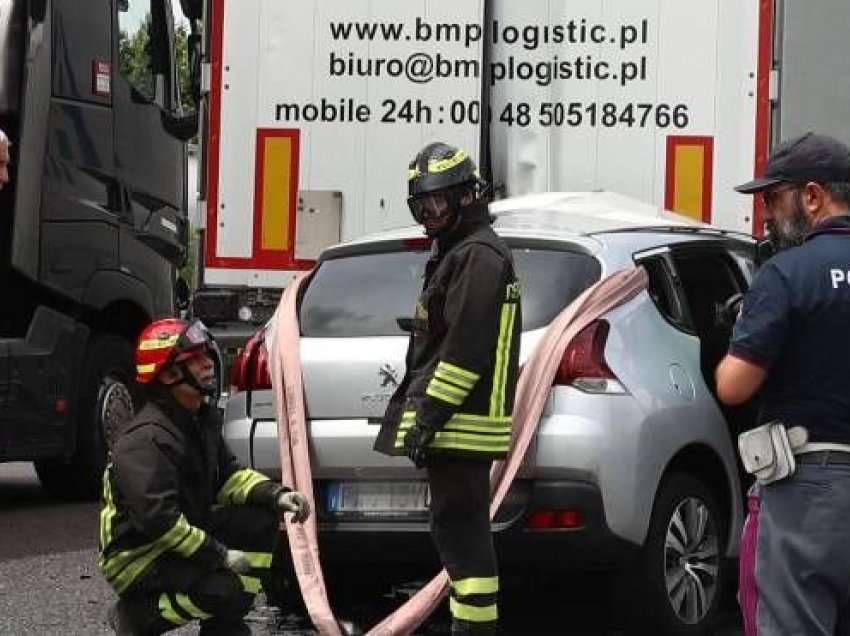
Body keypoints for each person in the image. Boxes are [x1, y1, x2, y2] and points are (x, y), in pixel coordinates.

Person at [374, 142, 521, 635]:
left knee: (463, 538)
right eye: (422, 205)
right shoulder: (461, 250)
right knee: (458, 536)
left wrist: (431, 417)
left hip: (463, 425)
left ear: (466, 196)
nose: (430, 213)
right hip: (460, 424)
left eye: (440, 202)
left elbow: (465, 349)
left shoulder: (477, 255)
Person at [716, 132, 850, 635]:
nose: (766, 214)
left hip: (807, 490)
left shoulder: (786, 275)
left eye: (773, 198)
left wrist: (741, 329)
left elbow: (735, 385)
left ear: (812, 197)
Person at [99, 318, 310, 635]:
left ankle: (226, 625)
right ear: (168, 375)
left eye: (206, 355)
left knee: (261, 520)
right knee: (222, 588)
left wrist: (275, 494)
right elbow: (160, 522)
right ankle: (137, 617)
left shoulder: (196, 420)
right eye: (194, 360)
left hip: (178, 535)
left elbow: (227, 477)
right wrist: (221, 555)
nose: (208, 364)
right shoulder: (145, 441)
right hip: (139, 557)